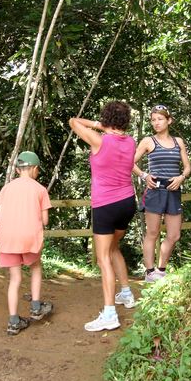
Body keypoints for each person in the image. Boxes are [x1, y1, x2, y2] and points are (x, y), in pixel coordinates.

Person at [69, 101, 137, 332]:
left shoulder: (100, 139)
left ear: (106, 118)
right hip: (127, 203)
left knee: (102, 259)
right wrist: (107, 126)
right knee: (113, 248)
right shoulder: (131, 142)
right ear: (125, 120)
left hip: (106, 205)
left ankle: (109, 313)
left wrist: (99, 125)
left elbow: (73, 122)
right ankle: (126, 293)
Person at [0, 151, 54, 335]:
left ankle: (13, 322)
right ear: (35, 169)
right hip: (29, 237)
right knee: (35, 267)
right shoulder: (40, 189)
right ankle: (36, 308)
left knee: (15, 279)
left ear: (18, 169)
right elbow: (45, 221)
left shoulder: (6, 188)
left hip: (8, 238)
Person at [133, 104, 191, 282]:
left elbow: (188, 167)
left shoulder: (178, 141)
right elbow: (130, 162)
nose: (156, 123)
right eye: (153, 120)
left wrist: (181, 177)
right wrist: (144, 175)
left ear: (169, 120)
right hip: (155, 190)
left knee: (174, 235)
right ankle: (150, 272)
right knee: (152, 232)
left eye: (160, 119)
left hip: (173, 190)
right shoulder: (148, 141)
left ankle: (161, 271)